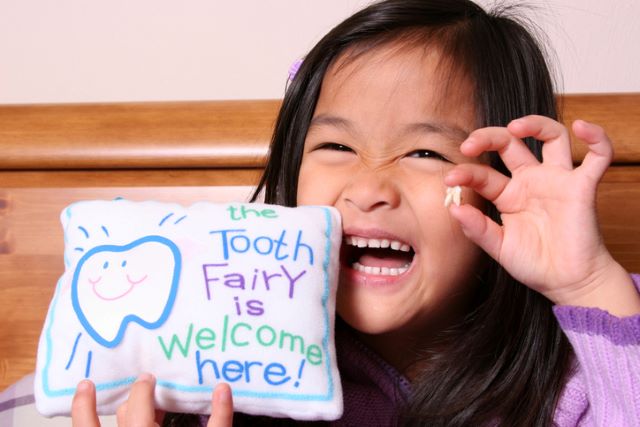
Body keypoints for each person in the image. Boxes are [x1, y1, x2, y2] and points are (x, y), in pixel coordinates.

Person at [72, 0, 640, 425]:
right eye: (336, 148)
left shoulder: (586, 364)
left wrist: (588, 283)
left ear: (503, 189)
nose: (369, 188)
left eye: (425, 153)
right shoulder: (226, 368)